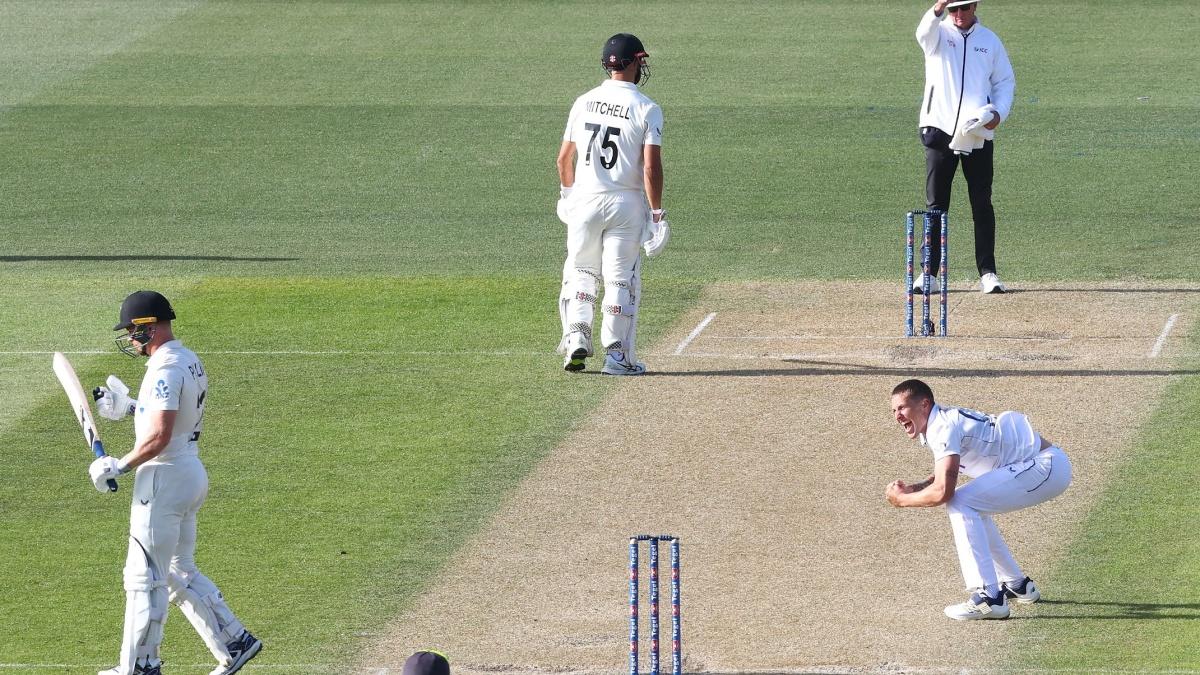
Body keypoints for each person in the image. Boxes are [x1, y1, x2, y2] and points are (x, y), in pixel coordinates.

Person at [88, 291, 262, 675]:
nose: (131, 339)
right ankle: (234, 640)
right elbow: (169, 418)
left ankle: (139, 667)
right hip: (189, 473)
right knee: (176, 571)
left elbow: (160, 436)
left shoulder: (165, 369)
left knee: (144, 578)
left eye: (134, 331)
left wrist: (119, 465)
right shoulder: (187, 359)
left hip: (163, 480)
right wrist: (130, 407)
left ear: (150, 327)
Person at [885, 379, 1072, 620]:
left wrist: (901, 500)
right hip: (1046, 466)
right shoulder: (941, 422)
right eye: (893, 411)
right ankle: (1017, 584)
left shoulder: (943, 426)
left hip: (1045, 467)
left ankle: (989, 598)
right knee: (972, 505)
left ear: (924, 404)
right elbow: (948, 470)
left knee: (961, 502)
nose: (897, 416)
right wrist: (916, 488)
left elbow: (944, 492)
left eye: (901, 408)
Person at [555, 32, 668, 375]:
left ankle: (576, 338)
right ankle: (617, 357)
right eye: (641, 60)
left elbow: (563, 160)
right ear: (633, 62)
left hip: (585, 201)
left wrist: (567, 195)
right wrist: (658, 215)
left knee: (582, 273)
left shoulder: (583, 101)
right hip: (626, 205)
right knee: (620, 281)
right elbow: (650, 167)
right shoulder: (647, 108)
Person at [915, 0, 1015, 295]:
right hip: (939, 130)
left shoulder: (989, 40)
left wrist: (997, 114)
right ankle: (928, 274)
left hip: (977, 132)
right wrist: (936, 10)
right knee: (936, 206)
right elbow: (922, 34)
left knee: (981, 203)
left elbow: (1005, 82)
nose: (958, 15)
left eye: (964, 9)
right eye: (953, 9)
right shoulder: (938, 33)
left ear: (975, 7)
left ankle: (988, 273)